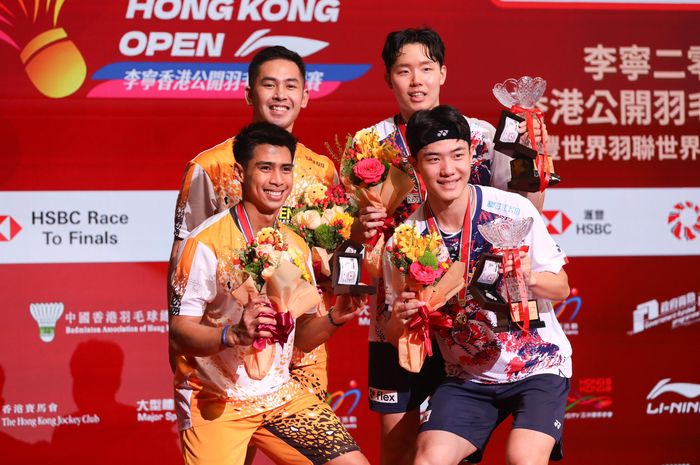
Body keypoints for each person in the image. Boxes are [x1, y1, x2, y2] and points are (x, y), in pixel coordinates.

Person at [352, 27, 547, 465]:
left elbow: (524, 208)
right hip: (399, 317)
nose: (416, 80)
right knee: (400, 444)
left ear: (443, 72)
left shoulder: (478, 136)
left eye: (426, 68)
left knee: (452, 450)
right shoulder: (368, 146)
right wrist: (360, 229)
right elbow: (353, 237)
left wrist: (530, 152)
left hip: (470, 319)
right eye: (404, 70)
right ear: (388, 78)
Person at [169, 122, 369, 465]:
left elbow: (302, 336)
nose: (277, 180)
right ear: (239, 172)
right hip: (216, 400)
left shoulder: (296, 245)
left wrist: (334, 318)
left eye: (285, 168)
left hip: (280, 395)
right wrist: (233, 334)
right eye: (265, 167)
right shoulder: (204, 243)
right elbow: (179, 333)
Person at [390, 105, 571, 465]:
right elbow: (397, 329)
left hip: (538, 364)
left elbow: (561, 287)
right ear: (416, 163)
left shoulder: (513, 210)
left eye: (457, 156)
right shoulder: (406, 239)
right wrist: (407, 316)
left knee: (523, 457)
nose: (448, 170)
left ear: (472, 155)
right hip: (468, 377)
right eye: (434, 159)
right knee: (428, 459)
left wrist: (527, 277)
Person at [170, 46, 338, 403]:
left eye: (291, 86)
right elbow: (183, 261)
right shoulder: (211, 166)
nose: (280, 96)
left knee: (312, 452)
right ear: (249, 93)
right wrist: (186, 345)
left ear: (305, 96)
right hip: (232, 352)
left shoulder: (323, 169)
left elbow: (332, 257)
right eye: (269, 85)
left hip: (302, 347)